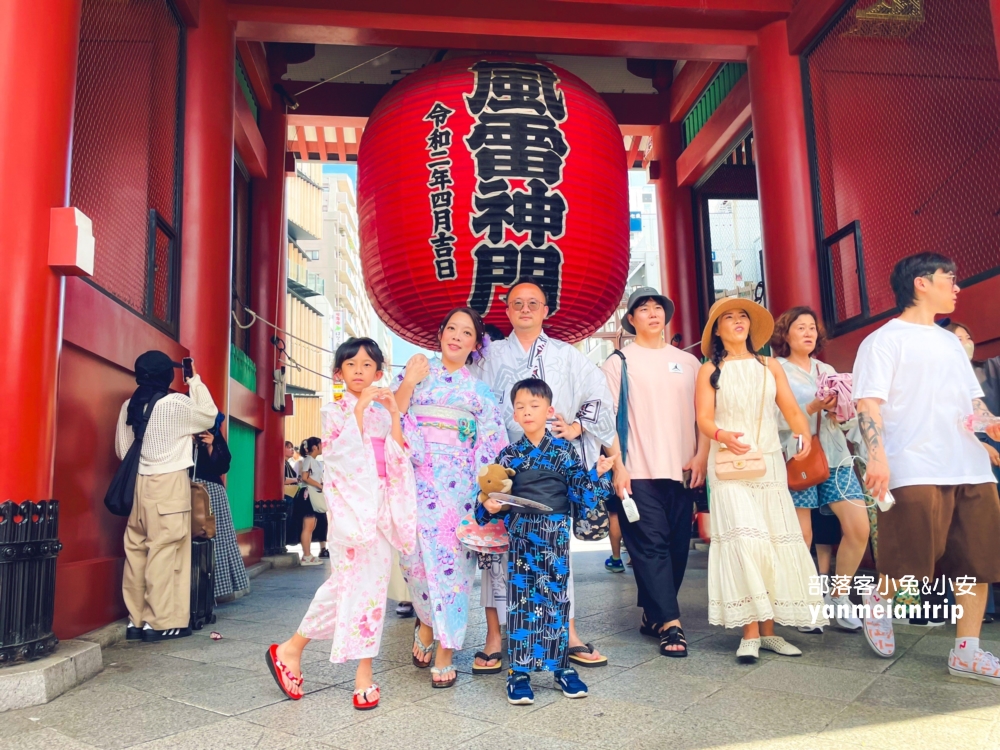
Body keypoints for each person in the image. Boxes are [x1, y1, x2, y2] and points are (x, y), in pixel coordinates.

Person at [854, 253, 1000, 684]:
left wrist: (992, 428)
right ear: (921, 282)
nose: (956, 288)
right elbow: (868, 404)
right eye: (949, 279)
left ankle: (967, 651)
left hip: (968, 465)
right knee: (909, 559)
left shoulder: (951, 342)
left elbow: (971, 407)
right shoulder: (884, 340)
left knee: (978, 560)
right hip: (913, 464)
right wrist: (878, 457)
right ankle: (878, 602)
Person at [267, 338, 417, 709]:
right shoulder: (334, 412)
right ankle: (296, 650)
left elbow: (398, 455)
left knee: (371, 588)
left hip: (381, 508)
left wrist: (394, 413)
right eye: (352, 365)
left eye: (368, 366)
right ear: (339, 373)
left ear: (379, 372)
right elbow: (340, 460)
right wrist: (360, 410)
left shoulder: (384, 411)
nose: (360, 372)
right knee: (349, 585)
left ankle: (331, 661)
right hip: (353, 511)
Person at [475, 278, 616, 670]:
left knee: (555, 557)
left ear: (545, 310)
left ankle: (566, 633)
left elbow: (599, 393)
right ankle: (494, 634)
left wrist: (577, 427)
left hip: (552, 465)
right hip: (505, 463)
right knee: (496, 553)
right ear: (506, 310)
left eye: (533, 303)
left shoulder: (566, 355)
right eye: (516, 303)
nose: (524, 309)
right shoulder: (489, 355)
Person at [695, 298, 827, 663]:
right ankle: (749, 633)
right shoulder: (709, 370)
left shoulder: (770, 366)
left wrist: (802, 435)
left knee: (770, 541)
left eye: (743, 317)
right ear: (717, 330)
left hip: (768, 462)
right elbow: (704, 419)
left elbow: (791, 409)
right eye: (728, 318)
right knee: (745, 541)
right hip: (727, 463)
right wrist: (722, 435)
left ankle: (769, 632)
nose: (737, 322)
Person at [477, 378, 614, 704]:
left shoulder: (564, 451)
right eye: (520, 407)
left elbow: (580, 489)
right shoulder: (510, 455)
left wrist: (597, 473)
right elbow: (489, 495)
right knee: (522, 601)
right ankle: (519, 673)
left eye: (534, 406)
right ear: (513, 413)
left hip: (555, 534)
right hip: (522, 534)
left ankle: (561, 667)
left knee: (555, 597)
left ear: (549, 410)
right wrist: (489, 506)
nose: (527, 412)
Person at [393, 308, 508, 687]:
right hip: (417, 481)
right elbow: (392, 416)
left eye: (467, 332)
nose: (457, 337)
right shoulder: (418, 372)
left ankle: (446, 647)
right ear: (440, 332)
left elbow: (491, 439)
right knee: (414, 564)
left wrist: (483, 488)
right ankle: (426, 620)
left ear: (477, 344)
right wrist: (408, 383)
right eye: (451, 329)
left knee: (453, 573)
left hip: (459, 491)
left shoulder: (478, 391)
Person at [601, 288, 709, 657]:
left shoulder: (689, 362)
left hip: (681, 469)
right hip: (637, 471)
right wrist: (618, 466)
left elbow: (704, 417)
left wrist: (702, 457)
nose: (652, 314)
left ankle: (652, 614)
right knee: (650, 546)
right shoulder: (619, 362)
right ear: (630, 319)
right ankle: (671, 625)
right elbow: (607, 420)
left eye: (657, 308)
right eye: (643, 309)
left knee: (677, 547)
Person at [771, 306, 872, 633]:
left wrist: (841, 412)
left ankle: (838, 597)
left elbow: (850, 417)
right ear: (785, 334)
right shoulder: (777, 370)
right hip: (798, 458)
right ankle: (805, 602)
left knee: (859, 528)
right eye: (800, 327)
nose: (808, 333)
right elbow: (773, 420)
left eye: (812, 327)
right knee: (802, 536)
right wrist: (812, 407)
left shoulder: (825, 368)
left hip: (837, 456)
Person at [115, 351, 219, 642]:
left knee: (136, 552)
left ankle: (137, 621)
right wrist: (195, 381)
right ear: (166, 374)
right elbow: (209, 415)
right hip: (168, 482)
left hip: (137, 484)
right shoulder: (175, 403)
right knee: (166, 551)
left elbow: (122, 451)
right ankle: (162, 622)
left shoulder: (128, 405)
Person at [193, 414, 250, 601]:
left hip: (211, 491)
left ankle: (216, 589)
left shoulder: (214, 434)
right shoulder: (179, 432)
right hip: (183, 488)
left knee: (219, 537)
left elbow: (222, 466)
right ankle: (191, 589)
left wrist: (210, 445)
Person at [295, 437, 327, 566]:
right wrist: (320, 486)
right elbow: (305, 477)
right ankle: (306, 556)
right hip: (308, 495)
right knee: (308, 526)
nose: (322, 446)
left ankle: (308, 555)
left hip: (312, 494)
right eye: (321, 444)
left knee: (311, 525)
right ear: (315, 447)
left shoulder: (314, 461)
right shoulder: (308, 459)